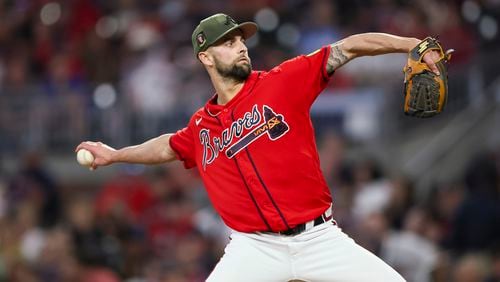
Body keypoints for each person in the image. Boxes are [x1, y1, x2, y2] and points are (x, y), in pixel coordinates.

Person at [77, 13, 443, 282]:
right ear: (206, 57)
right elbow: (169, 146)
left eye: (241, 40)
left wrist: (410, 45)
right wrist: (117, 154)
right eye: (229, 42)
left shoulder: (282, 82)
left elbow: (347, 48)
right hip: (254, 249)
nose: (240, 47)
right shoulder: (202, 125)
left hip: (319, 238)